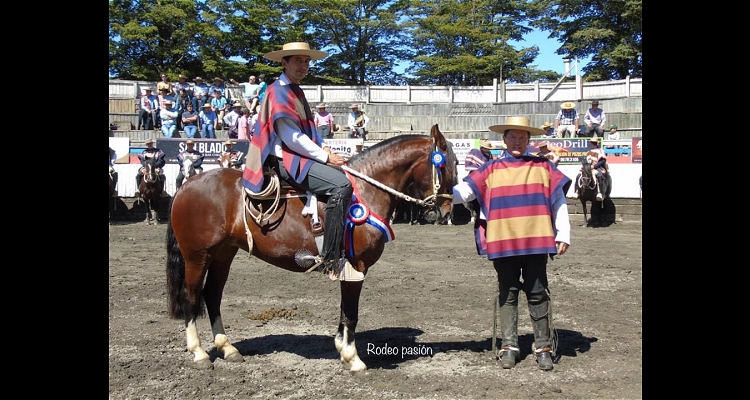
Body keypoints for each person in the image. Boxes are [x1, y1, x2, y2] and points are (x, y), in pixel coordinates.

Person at [451, 116, 571, 371]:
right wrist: (436, 188)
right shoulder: (490, 168)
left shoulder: (544, 167)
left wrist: (563, 233)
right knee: (507, 292)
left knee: (538, 292)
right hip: (504, 241)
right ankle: (509, 346)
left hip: (537, 239)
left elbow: (558, 200)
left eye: (522, 137)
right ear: (504, 139)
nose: (518, 141)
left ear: (529, 140)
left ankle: (543, 346)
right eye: (513, 137)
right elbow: (464, 194)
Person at [241, 42, 352, 271]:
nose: (304, 66)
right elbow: (291, 137)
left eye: (307, 61)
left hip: (298, 156)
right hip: (285, 160)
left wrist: (326, 149)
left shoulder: (295, 89)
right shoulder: (278, 91)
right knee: (341, 184)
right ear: (284, 62)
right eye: (298, 61)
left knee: (343, 174)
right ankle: (331, 256)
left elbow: (309, 131)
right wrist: (324, 157)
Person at [463, 139, 498, 236]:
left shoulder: (489, 154)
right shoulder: (474, 152)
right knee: (473, 197)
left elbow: (490, 166)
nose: (487, 150)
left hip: (485, 179)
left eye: (488, 148)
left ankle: (481, 215)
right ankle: (473, 214)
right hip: (474, 177)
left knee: (483, 197)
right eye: (486, 148)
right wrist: (480, 171)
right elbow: (468, 164)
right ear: (482, 147)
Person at [570, 135, 608, 201]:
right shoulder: (588, 152)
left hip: (596, 167)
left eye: (592, 143)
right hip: (587, 168)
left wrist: (595, 166)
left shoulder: (600, 151)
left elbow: (603, 161)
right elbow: (586, 161)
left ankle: (600, 193)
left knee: (599, 175)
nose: (591, 144)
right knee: (578, 176)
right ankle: (576, 192)